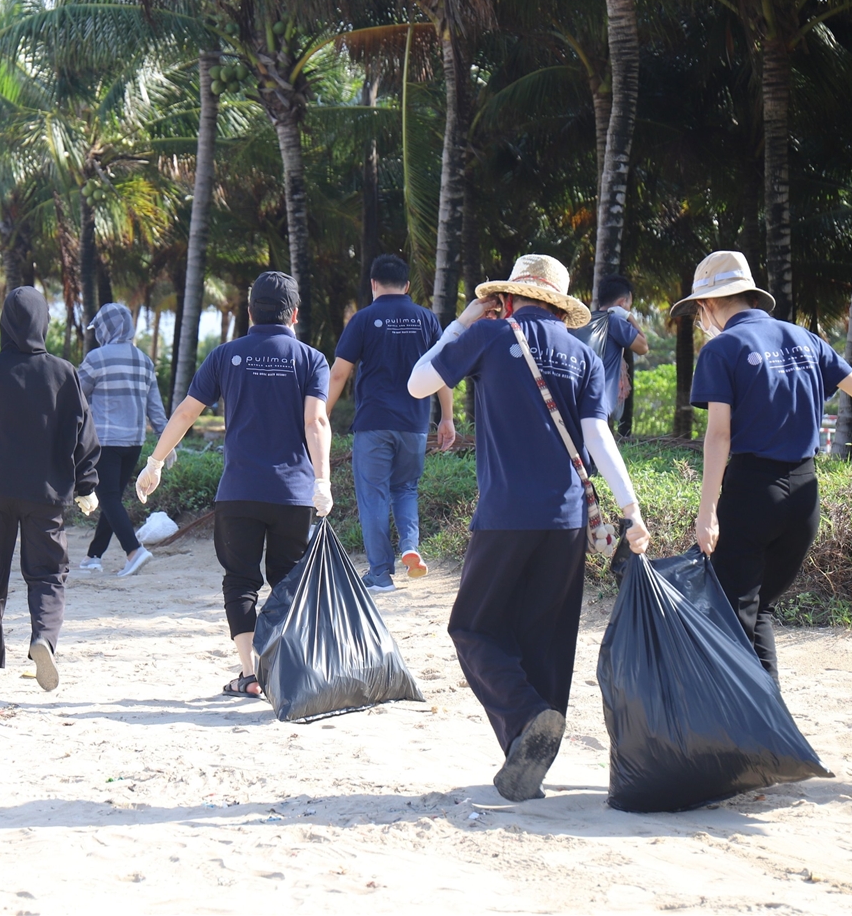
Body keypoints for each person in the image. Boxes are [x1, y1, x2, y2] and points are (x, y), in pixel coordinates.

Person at [408, 254, 651, 803]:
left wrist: (465, 320)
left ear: (508, 297)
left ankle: (526, 718)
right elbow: (598, 438)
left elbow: (419, 383)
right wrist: (630, 508)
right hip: (567, 521)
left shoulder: (491, 336)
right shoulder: (583, 354)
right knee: (548, 640)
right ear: (558, 305)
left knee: (473, 628)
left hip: (505, 516)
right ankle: (529, 754)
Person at [673, 250, 852, 682]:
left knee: (731, 615)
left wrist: (707, 513)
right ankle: (771, 731)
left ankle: (748, 734)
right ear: (749, 295)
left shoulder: (721, 350)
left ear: (707, 304)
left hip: (750, 494)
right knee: (758, 610)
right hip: (804, 498)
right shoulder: (805, 339)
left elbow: (719, 435)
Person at [137, 271, 333, 699]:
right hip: (293, 493)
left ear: (248, 313)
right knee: (287, 582)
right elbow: (315, 420)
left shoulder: (226, 355)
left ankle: (250, 674)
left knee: (240, 581)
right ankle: (284, 671)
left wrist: (155, 462)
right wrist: (323, 481)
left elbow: (187, 413)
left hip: (239, 491)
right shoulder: (311, 359)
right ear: (294, 315)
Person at [0, 286, 101, 689]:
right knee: (48, 573)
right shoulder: (63, 372)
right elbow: (84, 435)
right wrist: (87, 483)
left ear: (5, 323)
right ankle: (43, 638)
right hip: (45, 493)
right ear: (44, 323)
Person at [325, 253, 444, 592]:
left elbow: (338, 373)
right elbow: (442, 373)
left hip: (374, 423)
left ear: (373, 284)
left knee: (373, 495)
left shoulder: (363, 319)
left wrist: (322, 414)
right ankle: (410, 545)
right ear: (407, 285)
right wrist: (446, 418)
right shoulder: (426, 319)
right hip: (416, 423)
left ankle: (380, 574)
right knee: (405, 488)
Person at [77, 302, 170, 576]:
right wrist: (165, 439)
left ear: (105, 328)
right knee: (112, 497)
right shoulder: (144, 360)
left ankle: (134, 551)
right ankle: (93, 556)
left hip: (105, 441)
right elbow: (155, 407)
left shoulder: (96, 358)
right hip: (134, 443)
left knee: (107, 497)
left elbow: (75, 396)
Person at [572, 274, 648, 423]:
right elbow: (643, 347)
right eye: (629, 305)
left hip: (575, 399)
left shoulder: (583, 322)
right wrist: (629, 316)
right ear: (622, 302)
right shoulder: (615, 320)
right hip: (598, 404)